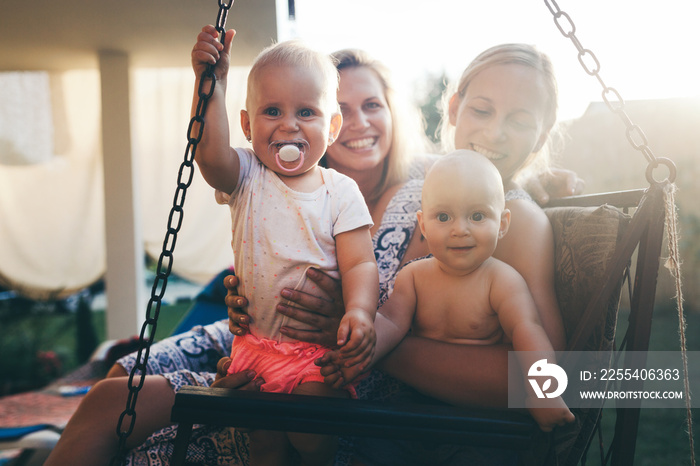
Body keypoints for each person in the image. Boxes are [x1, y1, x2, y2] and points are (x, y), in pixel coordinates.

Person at [46, 39, 582, 466]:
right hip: (281, 355)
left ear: (542, 133)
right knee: (116, 393)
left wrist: (353, 333)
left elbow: (555, 378)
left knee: (119, 414)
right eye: (483, 110)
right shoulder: (426, 184)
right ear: (454, 108)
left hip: (352, 410)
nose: (492, 132)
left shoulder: (516, 221)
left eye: (519, 120)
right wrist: (256, 285)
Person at [196, 26, 381, 465]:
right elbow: (208, 156)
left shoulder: (340, 192)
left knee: (311, 433)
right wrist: (211, 85)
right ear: (246, 124)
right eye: (272, 110)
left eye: (306, 112)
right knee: (264, 444)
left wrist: (358, 311)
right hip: (254, 345)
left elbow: (360, 266)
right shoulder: (246, 176)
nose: (288, 125)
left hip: (315, 353)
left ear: (331, 127)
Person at [319, 150, 576, 433]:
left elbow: (527, 331)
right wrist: (360, 354)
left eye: (477, 216)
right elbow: (391, 321)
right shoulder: (414, 276)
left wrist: (543, 393)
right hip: (411, 406)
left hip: (480, 418)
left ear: (502, 225)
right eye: (443, 217)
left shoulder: (502, 281)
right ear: (424, 225)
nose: (460, 230)